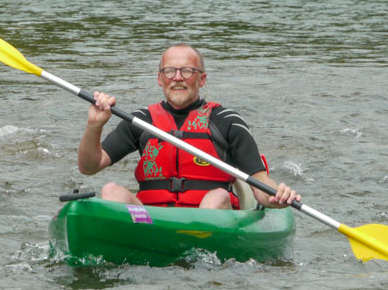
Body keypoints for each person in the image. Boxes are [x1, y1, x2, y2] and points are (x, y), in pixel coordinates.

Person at [77, 43, 300, 209]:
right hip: (150, 220)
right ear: (160, 78)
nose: (177, 78)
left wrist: (277, 197)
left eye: (187, 71)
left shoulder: (227, 121)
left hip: (207, 221)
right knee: (110, 191)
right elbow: (89, 167)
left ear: (201, 79)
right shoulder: (141, 120)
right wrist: (94, 126)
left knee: (218, 197)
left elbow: (260, 186)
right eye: (169, 71)